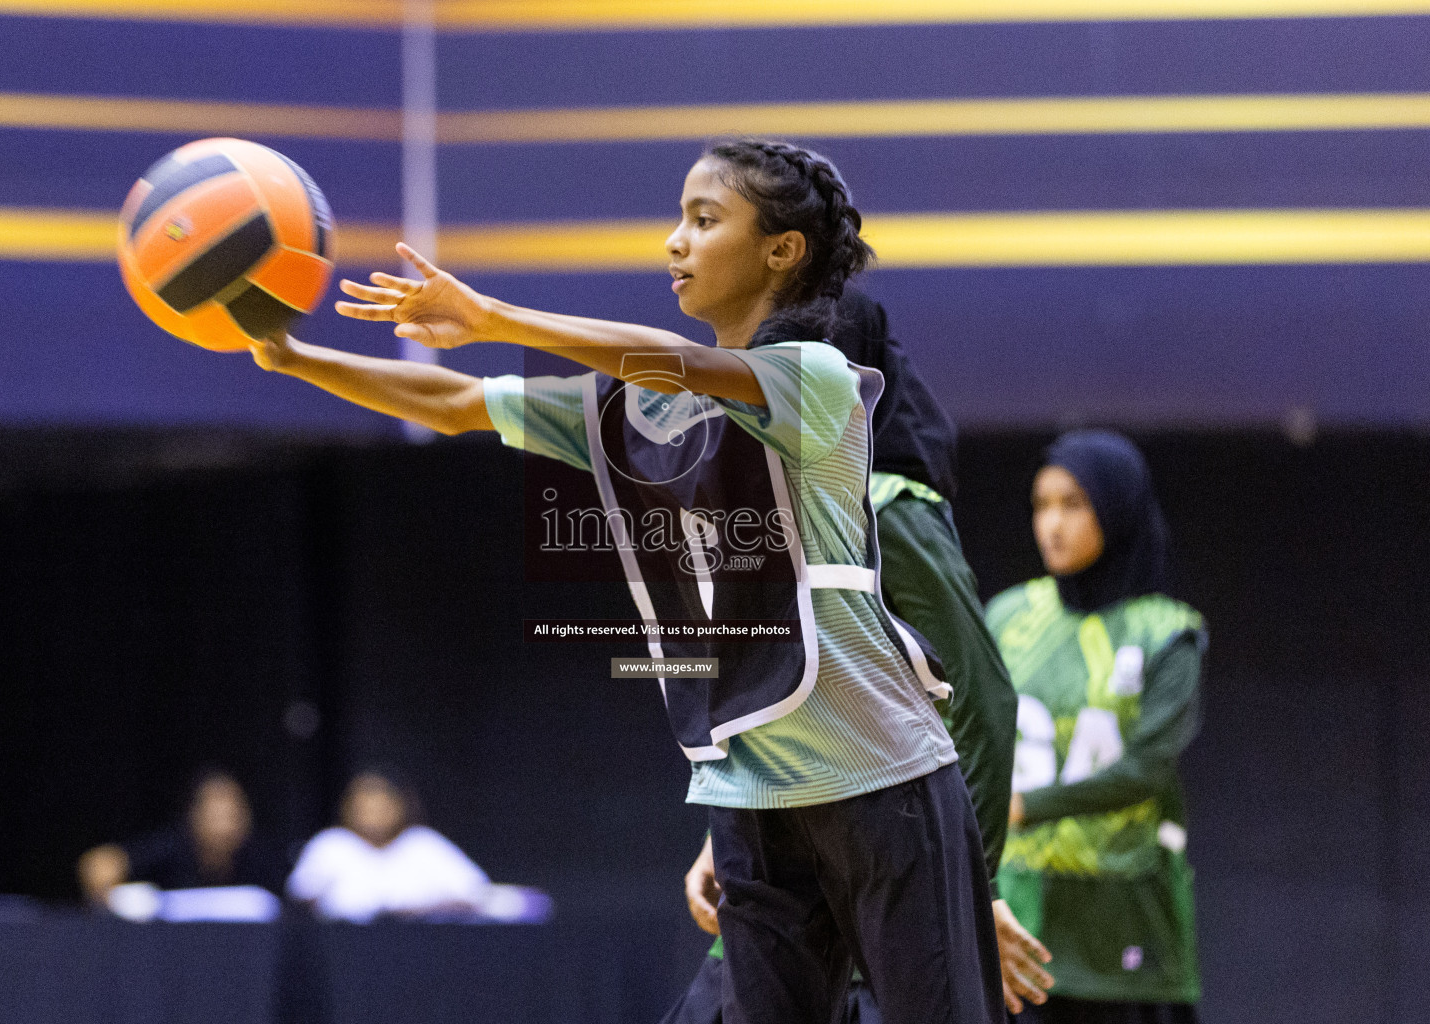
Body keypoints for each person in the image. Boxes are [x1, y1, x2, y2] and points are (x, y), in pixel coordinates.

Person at [249, 139, 1004, 1024]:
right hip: (752, 796)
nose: (674, 242)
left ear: (781, 250)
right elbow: (456, 404)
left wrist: (491, 313)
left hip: (883, 782)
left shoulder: (816, 380)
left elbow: (676, 362)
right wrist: (297, 360)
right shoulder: (635, 412)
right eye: (678, 218)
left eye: (704, 218)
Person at [664, 289, 1052, 1024]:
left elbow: (980, 699)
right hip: (780, 867)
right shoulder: (764, 492)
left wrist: (975, 888)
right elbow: (773, 688)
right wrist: (727, 830)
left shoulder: (882, 505)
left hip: (877, 891)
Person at [988, 431, 1205, 1023]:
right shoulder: (1008, 617)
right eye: (1042, 505)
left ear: (1118, 509)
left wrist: (1022, 805)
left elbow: (1144, 770)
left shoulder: (1167, 632)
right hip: (1023, 911)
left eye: (1074, 504)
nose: (1052, 524)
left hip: (1125, 916)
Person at [286, 770, 489, 922]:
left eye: (381, 806)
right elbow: (300, 898)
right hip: (342, 949)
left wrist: (413, 911)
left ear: (400, 806)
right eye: (364, 807)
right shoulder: (331, 844)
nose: (372, 815)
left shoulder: (422, 843)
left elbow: (475, 894)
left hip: (417, 944)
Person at [77, 768, 287, 905]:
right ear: (195, 816)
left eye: (233, 816)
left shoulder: (261, 859)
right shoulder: (171, 848)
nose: (226, 827)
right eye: (216, 816)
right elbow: (99, 866)